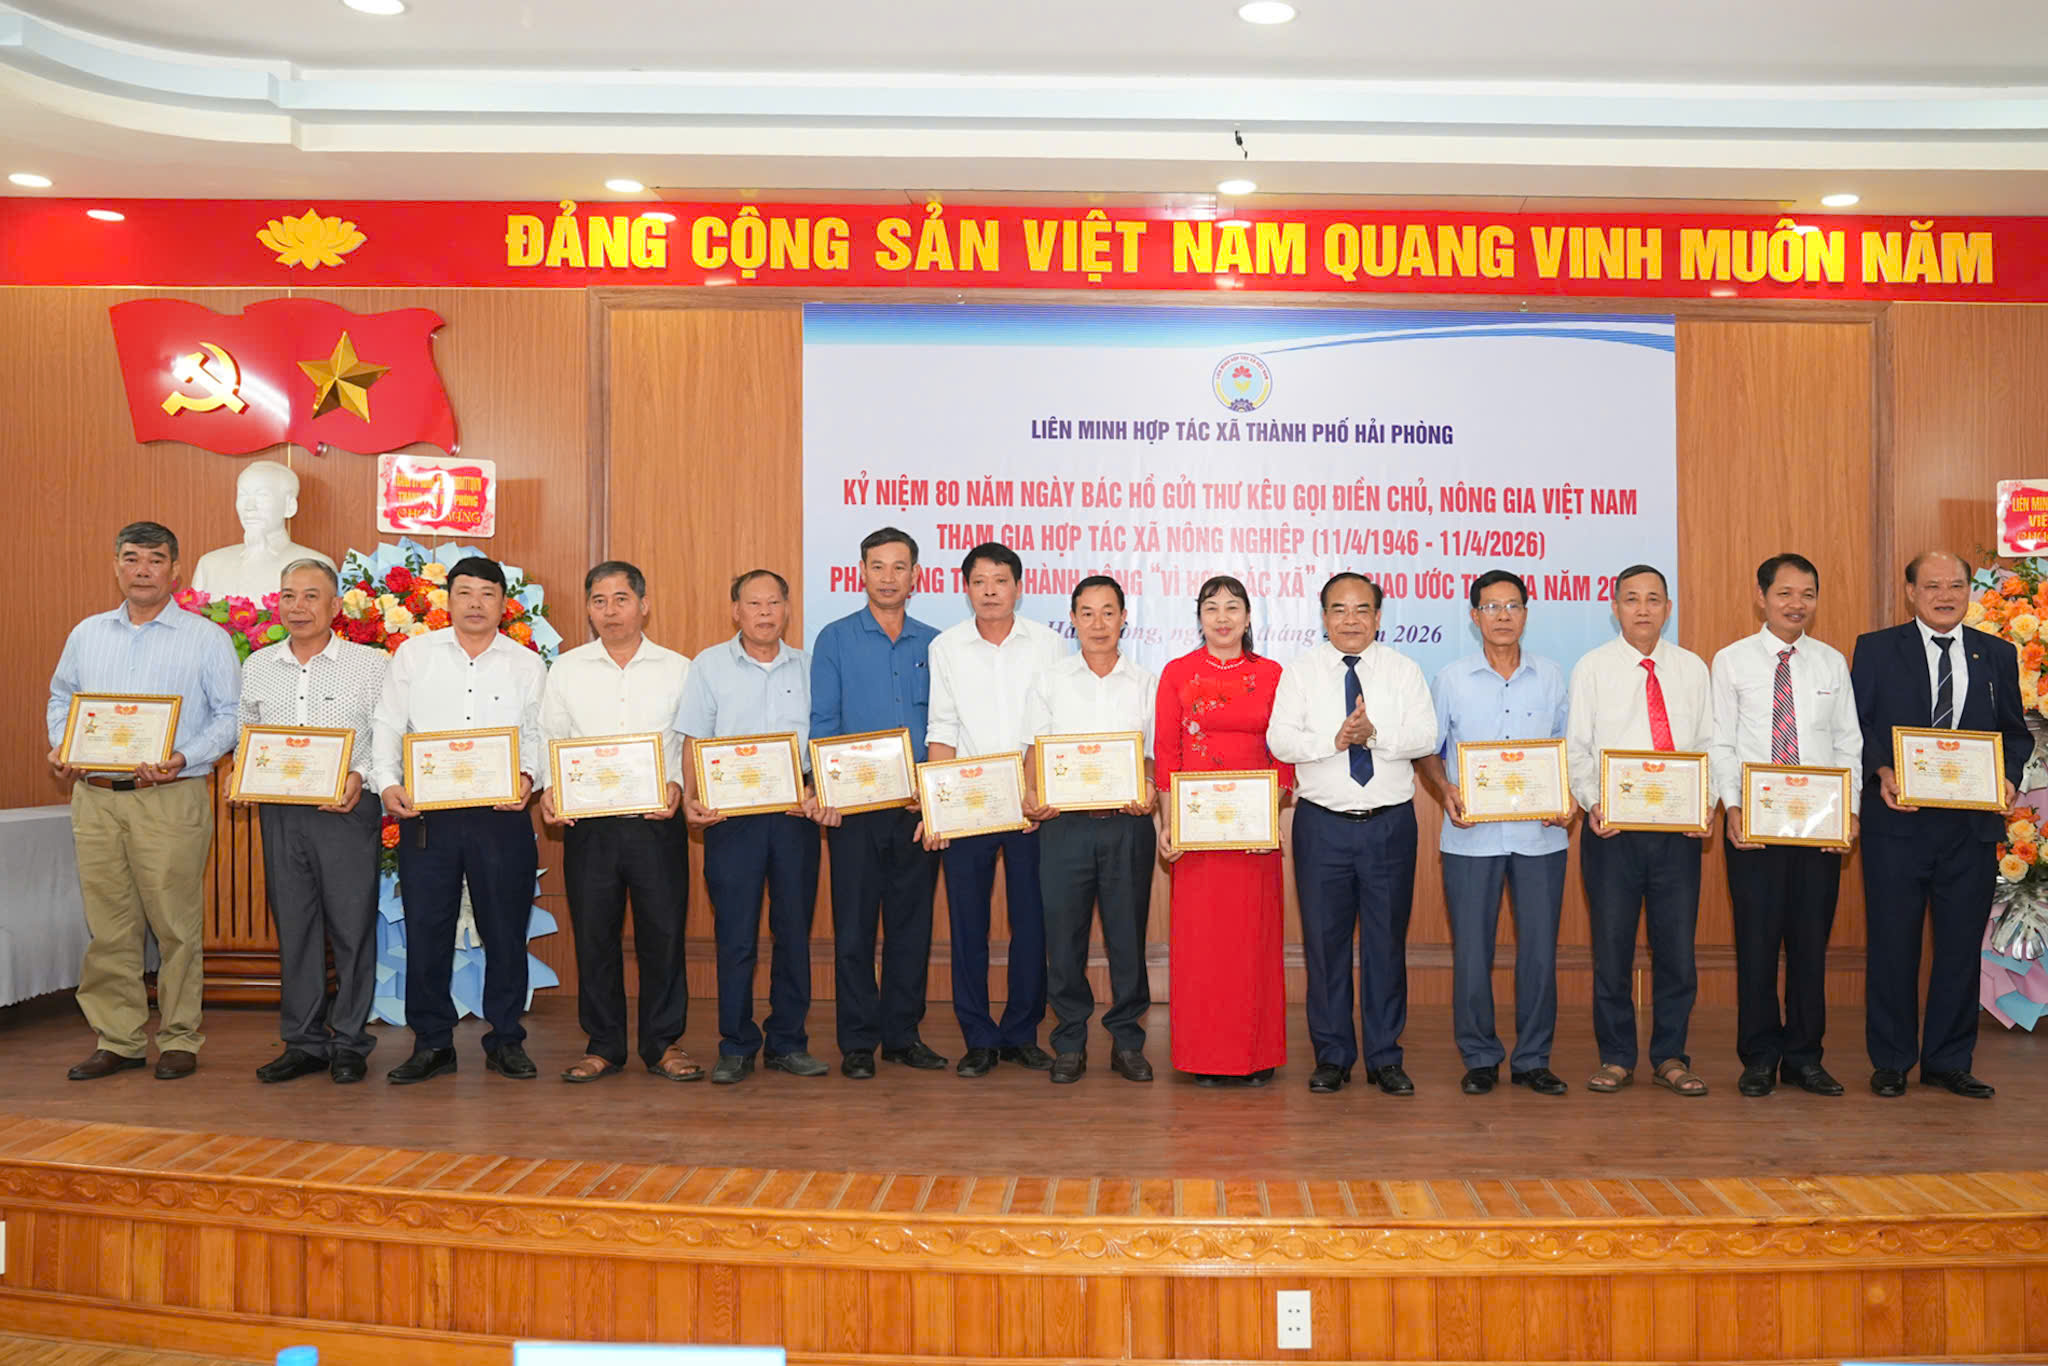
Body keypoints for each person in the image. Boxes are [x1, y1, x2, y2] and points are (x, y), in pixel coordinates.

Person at [46, 521, 240, 1082]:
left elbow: (231, 714)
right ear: (116, 566)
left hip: (169, 796)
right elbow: (62, 698)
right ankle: (119, 1039)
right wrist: (63, 744)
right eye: (131, 558)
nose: (142, 570)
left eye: (155, 560)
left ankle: (179, 1037)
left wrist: (183, 756)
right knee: (109, 928)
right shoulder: (87, 633)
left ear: (175, 569)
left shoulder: (205, 638)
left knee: (175, 926)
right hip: (96, 798)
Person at [1851, 551, 2031, 1099]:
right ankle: (1891, 1061)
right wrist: (1882, 771)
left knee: (1958, 950)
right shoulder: (1876, 648)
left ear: (1969, 591)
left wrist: (2008, 778)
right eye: (1932, 586)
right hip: (1897, 824)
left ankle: (1948, 1061)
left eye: (1956, 585)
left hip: (1969, 829)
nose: (1945, 595)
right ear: (1910, 592)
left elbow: (2014, 733)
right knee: (1892, 946)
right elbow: (1858, 725)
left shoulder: (1996, 653)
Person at [372, 556, 547, 1084]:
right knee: (427, 929)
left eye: (487, 593)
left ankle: (506, 1039)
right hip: (430, 815)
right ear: (447, 599)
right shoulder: (415, 655)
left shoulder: (525, 664)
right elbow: (388, 722)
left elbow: (539, 734)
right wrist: (387, 782)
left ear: (503, 603)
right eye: (465, 592)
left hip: (501, 815)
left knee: (505, 930)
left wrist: (529, 777)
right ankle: (432, 1042)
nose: (475, 603)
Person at [1268, 573, 1438, 1096]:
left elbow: (1426, 735)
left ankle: (1385, 1057)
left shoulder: (1404, 670)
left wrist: (1374, 734)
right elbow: (1280, 740)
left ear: (1378, 617)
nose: (1351, 620)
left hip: (1389, 824)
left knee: (1386, 943)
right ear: (1324, 618)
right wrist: (1335, 739)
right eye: (1339, 610)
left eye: (1362, 609)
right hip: (1322, 825)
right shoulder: (1301, 672)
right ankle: (1333, 1056)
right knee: (1325, 945)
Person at [1708, 553, 1862, 1098]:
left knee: (1809, 946)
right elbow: (1721, 742)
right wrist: (1732, 807)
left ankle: (1803, 1057)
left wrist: (1850, 810)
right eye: (1785, 593)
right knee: (1755, 946)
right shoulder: (1731, 661)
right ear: (1762, 597)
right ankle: (1758, 1056)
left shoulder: (1831, 663)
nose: (1797, 604)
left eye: (1807, 594)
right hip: (1754, 826)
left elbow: (1848, 743)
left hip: (1819, 829)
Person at [1415, 570, 1573, 1098]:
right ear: (1474, 616)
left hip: (1539, 837)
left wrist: (1566, 796)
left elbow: (1568, 749)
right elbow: (1429, 749)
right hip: (1471, 837)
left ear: (1526, 613)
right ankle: (1480, 1057)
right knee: (1471, 952)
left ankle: (1533, 1059)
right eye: (1491, 607)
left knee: (1539, 953)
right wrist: (1445, 789)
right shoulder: (1451, 678)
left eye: (1512, 606)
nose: (1503, 616)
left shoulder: (1552, 677)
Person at [540, 561, 696, 1084]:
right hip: (590, 826)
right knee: (594, 936)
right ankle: (603, 1044)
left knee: (664, 935)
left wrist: (676, 786)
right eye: (599, 601)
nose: (611, 611)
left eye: (621, 599)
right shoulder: (567, 669)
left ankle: (663, 1043)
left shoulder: (678, 668)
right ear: (589, 609)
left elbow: (689, 742)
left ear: (643, 605)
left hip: (656, 822)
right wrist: (551, 789)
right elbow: (550, 738)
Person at [234, 558, 389, 1085]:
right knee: (295, 927)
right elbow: (246, 735)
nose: (297, 607)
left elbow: (390, 737)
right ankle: (303, 1042)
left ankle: (349, 1042)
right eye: (288, 596)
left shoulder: (371, 665)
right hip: (281, 813)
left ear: (335, 606)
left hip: (346, 809)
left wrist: (361, 776)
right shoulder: (258, 665)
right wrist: (244, 775)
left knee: (351, 928)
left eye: (310, 596)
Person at [1566, 563, 1714, 1098]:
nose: (1643, 609)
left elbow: (1709, 744)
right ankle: (1617, 1056)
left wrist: (1705, 804)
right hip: (1613, 834)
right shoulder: (1592, 668)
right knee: (1612, 951)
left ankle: (1671, 1055)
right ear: (1615, 608)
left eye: (1654, 599)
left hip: (1678, 835)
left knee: (1676, 952)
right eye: (1632, 599)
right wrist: (1593, 803)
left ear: (1668, 609)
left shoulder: (1692, 668)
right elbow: (1578, 749)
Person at [678, 568, 826, 1085]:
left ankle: (788, 1041)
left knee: (793, 932)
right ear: (735, 611)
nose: (765, 612)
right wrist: (691, 797)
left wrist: (817, 790)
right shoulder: (709, 665)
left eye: (774, 603)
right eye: (754, 603)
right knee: (736, 934)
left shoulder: (811, 667)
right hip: (731, 818)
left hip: (793, 816)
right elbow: (694, 738)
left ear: (787, 609)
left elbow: (825, 740)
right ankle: (736, 1044)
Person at [925, 541, 1066, 1077]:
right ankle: (979, 1036)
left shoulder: (1049, 644)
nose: (990, 591)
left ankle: (1022, 1031)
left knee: (1032, 922)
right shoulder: (946, 647)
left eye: (1000, 581)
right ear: (966, 589)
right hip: (968, 804)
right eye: (979, 582)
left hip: (1031, 803)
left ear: (1018, 587)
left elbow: (1049, 727)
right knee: (968, 923)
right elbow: (942, 727)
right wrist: (937, 810)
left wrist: (1033, 790)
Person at [810, 527, 945, 1079]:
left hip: (916, 810)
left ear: (916, 576)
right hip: (854, 811)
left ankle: (903, 1036)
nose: (888, 577)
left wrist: (936, 798)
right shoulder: (835, 639)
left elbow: (946, 726)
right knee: (855, 928)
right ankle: (858, 1042)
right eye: (878, 566)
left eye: (899, 567)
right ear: (861, 572)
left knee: (912, 928)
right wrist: (825, 790)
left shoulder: (936, 644)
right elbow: (823, 722)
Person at [1154, 574, 1294, 1086]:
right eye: (1211, 607)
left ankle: (1257, 1055)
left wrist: (1266, 816)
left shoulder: (1273, 675)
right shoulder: (1177, 673)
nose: (1222, 617)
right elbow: (1167, 753)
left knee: (1253, 944)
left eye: (1233, 607)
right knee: (1203, 947)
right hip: (1199, 836)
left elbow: (1284, 755)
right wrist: (1170, 823)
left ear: (1248, 617)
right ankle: (1203, 1058)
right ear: (1199, 617)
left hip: (1253, 836)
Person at [1021, 575, 1159, 1084]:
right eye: (1087, 612)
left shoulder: (1146, 682)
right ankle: (1070, 1042)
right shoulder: (1051, 679)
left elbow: (1153, 755)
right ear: (1072, 619)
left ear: (1124, 618)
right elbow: (1034, 749)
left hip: (1127, 826)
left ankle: (1127, 1041)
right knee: (1064, 939)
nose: (1098, 623)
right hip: (1064, 828)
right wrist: (1031, 793)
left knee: (1127, 938)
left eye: (1108, 612)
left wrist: (1150, 786)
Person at [189, 460, 336, 600]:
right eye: (243, 495)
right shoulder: (209, 565)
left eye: (262, 495)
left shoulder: (317, 566)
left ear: (290, 506)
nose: (249, 506)